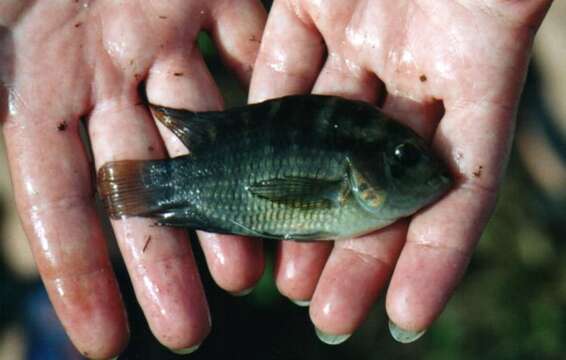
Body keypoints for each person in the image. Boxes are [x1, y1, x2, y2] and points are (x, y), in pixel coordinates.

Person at [0, 0, 553, 358]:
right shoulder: (355, 177)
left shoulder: (367, 170)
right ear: (363, 172)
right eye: (404, 158)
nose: (429, 170)